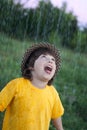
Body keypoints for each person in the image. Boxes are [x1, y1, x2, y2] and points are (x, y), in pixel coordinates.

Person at [0, 43, 64, 130]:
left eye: (53, 60)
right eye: (44, 57)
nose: (51, 61)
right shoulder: (17, 85)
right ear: (31, 66)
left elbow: (56, 114)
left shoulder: (53, 93)